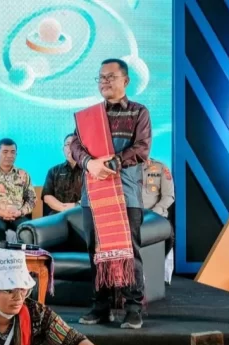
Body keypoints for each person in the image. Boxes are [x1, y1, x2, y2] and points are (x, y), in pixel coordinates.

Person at [70, 58, 151, 329]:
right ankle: (100, 306)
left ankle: (133, 308)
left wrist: (113, 162)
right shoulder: (88, 116)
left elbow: (142, 148)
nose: (104, 82)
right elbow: (76, 145)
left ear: (125, 81)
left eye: (110, 77)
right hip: (93, 194)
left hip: (126, 193)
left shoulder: (139, 112)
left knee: (129, 252)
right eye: (101, 77)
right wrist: (89, 164)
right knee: (95, 252)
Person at [42, 133, 83, 216]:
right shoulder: (53, 171)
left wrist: (76, 206)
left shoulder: (87, 171)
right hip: (58, 214)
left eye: (74, 144)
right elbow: (47, 196)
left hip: (82, 213)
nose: (71, 147)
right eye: (67, 144)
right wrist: (63, 208)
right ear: (63, 149)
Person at [142, 157, 174, 255]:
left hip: (156, 217)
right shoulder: (126, 167)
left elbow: (169, 196)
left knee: (169, 235)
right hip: (132, 217)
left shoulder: (161, 167)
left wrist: (152, 214)